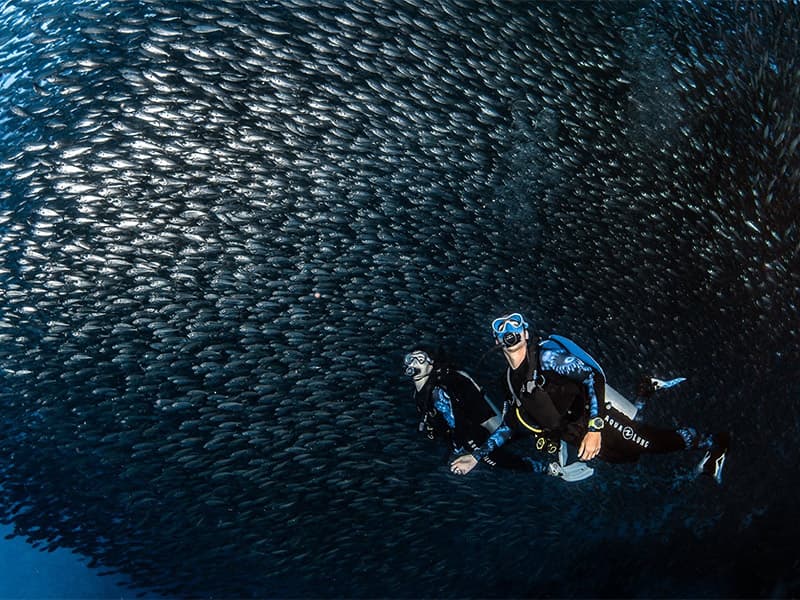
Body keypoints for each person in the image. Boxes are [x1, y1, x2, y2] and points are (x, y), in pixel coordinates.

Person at [489, 312, 731, 483]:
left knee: (649, 442)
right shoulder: (509, 381)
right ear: (497, 340)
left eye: (515, 324)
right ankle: (645, 391)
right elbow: (516, 419)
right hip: (575, 432)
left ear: (526, 332)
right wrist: (476, 456)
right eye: (501, 327)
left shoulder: (546, 357)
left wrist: (595, 428)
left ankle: (715, 443)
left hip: (596, 414)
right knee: (626, 455)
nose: (509, 330)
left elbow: (592, 377)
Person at [404, 348, 583, 478]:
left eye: (420, 358)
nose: (413, 362)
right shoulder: (420, 394)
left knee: (497, 453)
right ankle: (550, 440)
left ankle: (550, 459)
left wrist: (462, 449)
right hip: (474, 428)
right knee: (506, 439)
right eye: (410, 358)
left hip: (476, 428)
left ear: (431, 364)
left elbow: (456, 420)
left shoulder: (437, 389)